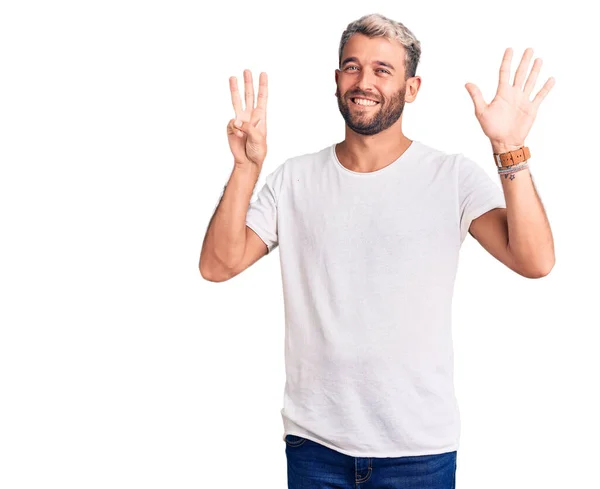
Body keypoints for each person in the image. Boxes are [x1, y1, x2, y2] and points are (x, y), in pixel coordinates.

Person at [199, 12, 555, 489]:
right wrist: (245, 167)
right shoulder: (293, 180)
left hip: (418, 453)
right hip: (314, 447)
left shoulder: (450, 177)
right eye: (352, 66)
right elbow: (217, 265)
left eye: (382, 70)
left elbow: (534, 261)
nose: (363, 81)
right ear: (336, 79)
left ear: (412, 88)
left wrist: (510, 148)